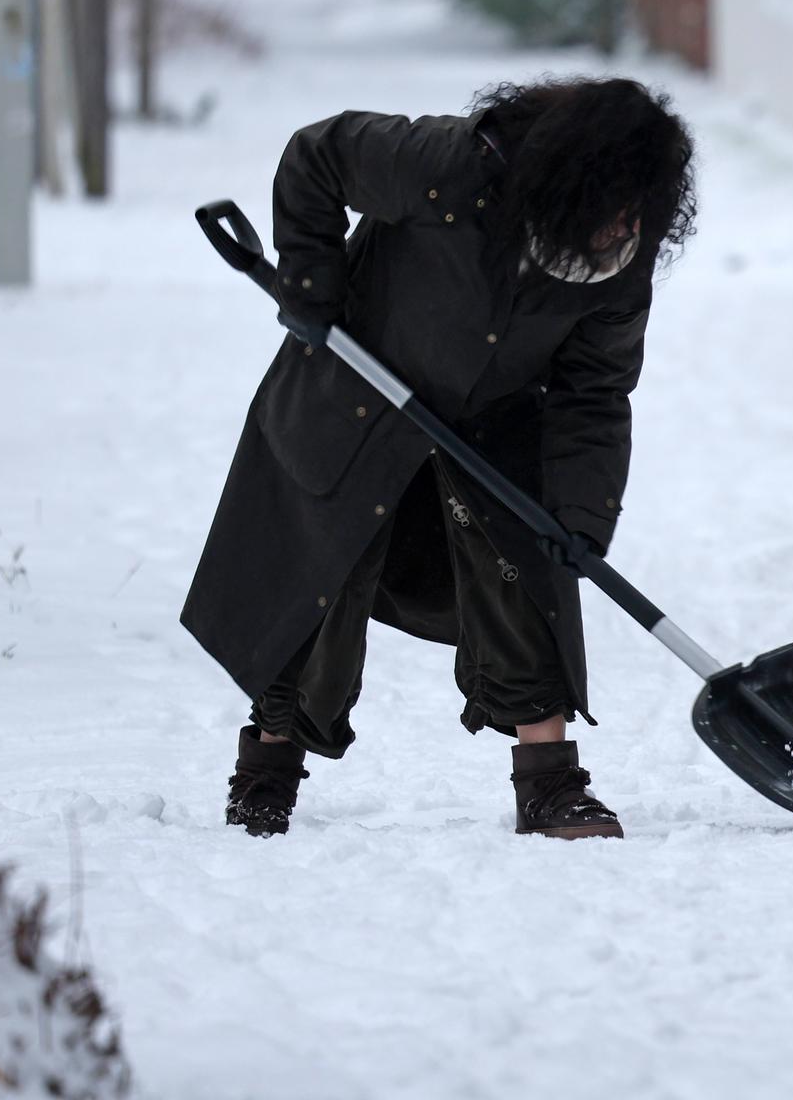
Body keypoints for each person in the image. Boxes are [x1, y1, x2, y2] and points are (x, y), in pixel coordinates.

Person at [181, 75, 697, 840]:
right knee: (321, 578)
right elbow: (316, 155)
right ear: (570, 182)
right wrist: (314, 283)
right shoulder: (447, 165)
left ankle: (552, 787)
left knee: (530, 574)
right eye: (615, 204)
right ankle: (266, 770)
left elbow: (595, 392)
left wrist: (582, 520)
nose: (623, 225)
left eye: (638, 211)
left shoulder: (621, 260)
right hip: (355, 390)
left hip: (491, 425)